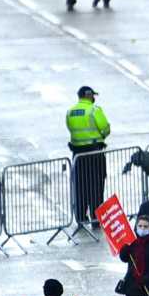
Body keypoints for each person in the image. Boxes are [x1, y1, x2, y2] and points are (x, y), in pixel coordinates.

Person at [66, 85, 111, 223]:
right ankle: (96, 217)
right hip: (94, 153)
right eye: (93, 96)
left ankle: (80, 217)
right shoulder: (94, 110)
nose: (94, 99)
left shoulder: (70, 112)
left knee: (80, 186)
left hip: (78, 155)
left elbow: (69, 128)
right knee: (96, 185)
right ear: (89, 95)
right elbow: (105, 128)